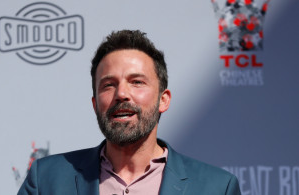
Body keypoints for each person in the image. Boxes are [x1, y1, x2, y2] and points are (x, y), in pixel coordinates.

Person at [18, 30, 241, 195]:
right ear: (95, 104)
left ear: (163, 100)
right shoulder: (46, 179)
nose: (121, 93)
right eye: (108, 85)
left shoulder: (217, 187)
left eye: (136, 82)